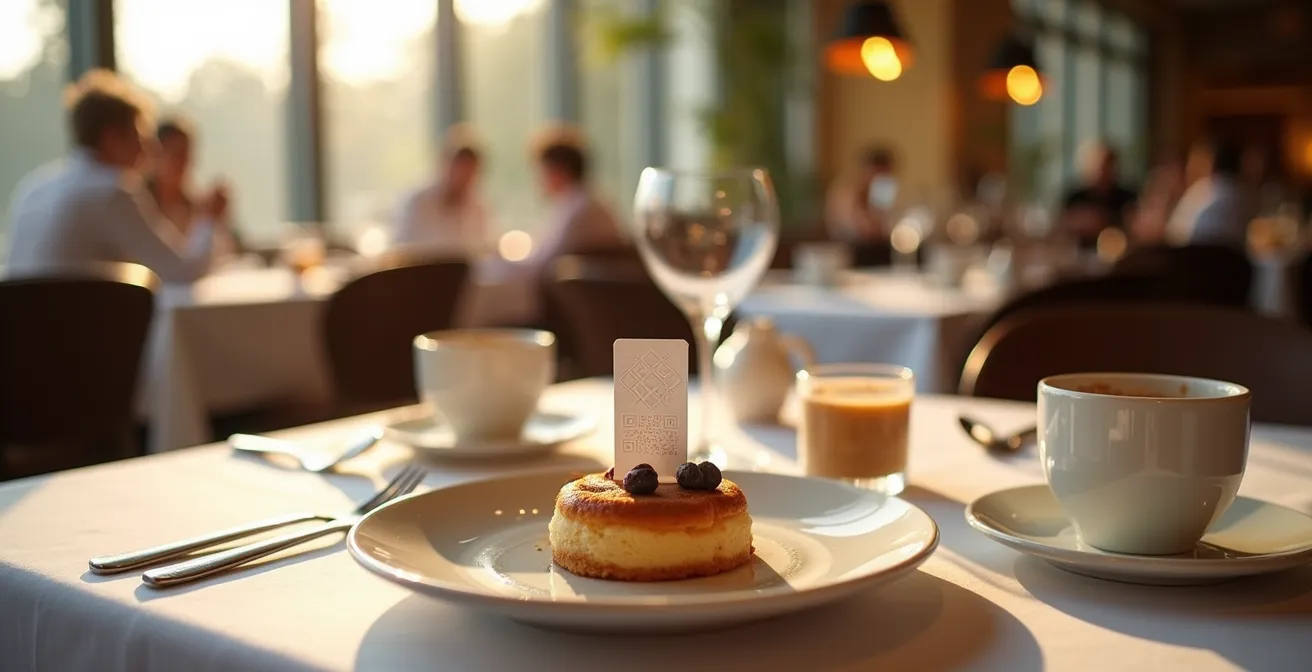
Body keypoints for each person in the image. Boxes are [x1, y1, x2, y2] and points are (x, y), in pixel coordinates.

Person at [4, 70, 225, 283]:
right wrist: (208, 219)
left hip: (27, 321)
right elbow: (182, 272)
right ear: (111, 139)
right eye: (140, 136)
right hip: (77, 320)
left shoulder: (32, 187)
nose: (149, 149)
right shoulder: (113, 191)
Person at [145, 116, 241, 256]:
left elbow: (232, 250)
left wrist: (219, 220)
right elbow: (176, 263)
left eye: (188, 154)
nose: (185, 163)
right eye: (177, 154)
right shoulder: (141, 205)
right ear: (155, 155)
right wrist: (207, 220)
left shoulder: (196, 203)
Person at [393, 126, 489, 257]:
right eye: (460, 170)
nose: (464, 179)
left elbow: (485, 252)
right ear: (445, 165)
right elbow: (401, 253)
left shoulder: (479, 208)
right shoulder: (417, 203)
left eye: (470, 173)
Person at [1166, 141, 1246, 248]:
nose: (1190, 169)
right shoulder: (1246, 193)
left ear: (1210, 162)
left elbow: (1175, 236)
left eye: (1196, 162)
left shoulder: (1202, 190)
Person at [1058, 142, 1138, 251]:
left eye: (1106, 165)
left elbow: (1134, 225)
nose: (1101, 171)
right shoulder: (1075, 197)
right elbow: (1061, 225)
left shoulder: (1128, 196)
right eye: (1096, 165)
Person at [825, 145, 898, 243]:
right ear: (866, 170)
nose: (883, 179)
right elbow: (866, 230)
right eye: (879, 173)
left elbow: (886, 224)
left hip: (870, 248)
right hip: (845, 249)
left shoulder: (876, 193)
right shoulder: (846, 192)